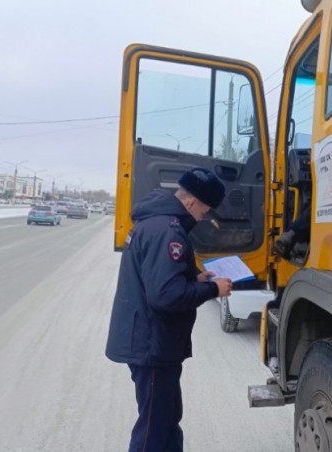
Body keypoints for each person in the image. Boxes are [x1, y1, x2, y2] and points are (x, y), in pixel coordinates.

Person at [105, 167, 233, 452]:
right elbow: (165, 295)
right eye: (205, 210)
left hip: (155, 343)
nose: (204, 217)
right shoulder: (168, 232)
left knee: (166, 420)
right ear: (191, 202)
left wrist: (195, 279)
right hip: (152, 344)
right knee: (153, 429)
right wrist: (214, 289)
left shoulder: (157, 223)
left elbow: (161, 280)